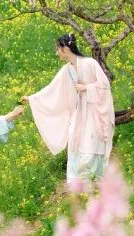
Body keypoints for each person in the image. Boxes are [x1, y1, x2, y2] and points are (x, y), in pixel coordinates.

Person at [23, 34, 116, 185]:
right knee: (76, 141)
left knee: (91, 145)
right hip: (79, 113)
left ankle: (94, 182)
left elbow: (104, 86)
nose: (56, 53)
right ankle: (80, 185)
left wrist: (86, 88)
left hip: (93, 111)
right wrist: (33, 99)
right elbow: (52, 89)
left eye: (58, 49)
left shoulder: (90, 63)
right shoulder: (67, 70)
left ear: (66, 49)